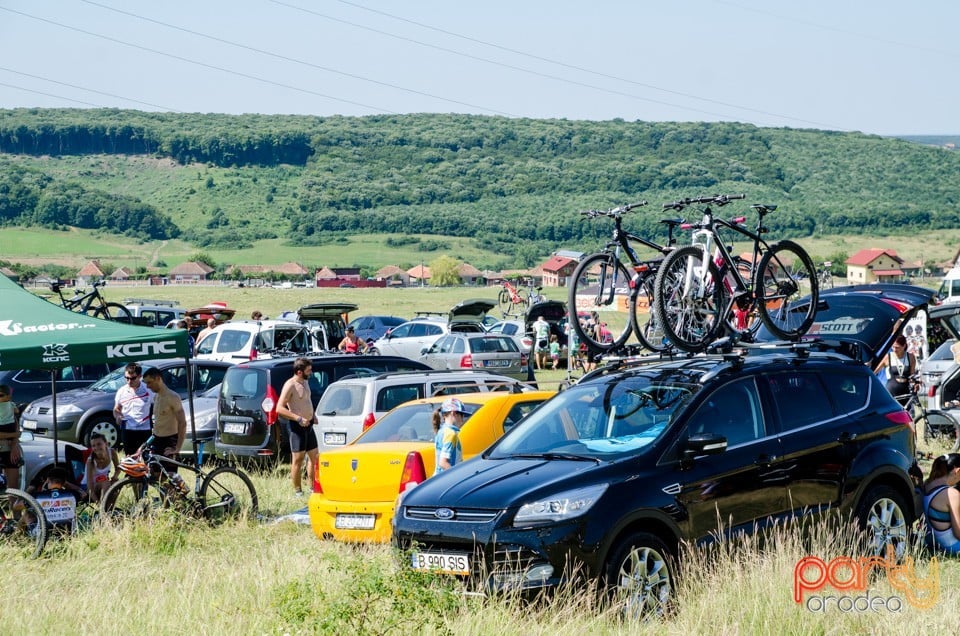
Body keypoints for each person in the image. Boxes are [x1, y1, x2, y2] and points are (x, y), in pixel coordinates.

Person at [276, 357, 318, 497]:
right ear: (299, 372)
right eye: (308, 370)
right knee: (298, 460)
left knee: (314, 457)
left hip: (309, 424)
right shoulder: (290, 385)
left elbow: (307, 400)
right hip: (297, 425)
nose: (310, 372)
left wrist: (313, 415)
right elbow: (279, 408)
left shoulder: (305, 382)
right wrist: (298, 418)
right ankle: (298, 491)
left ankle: (312, 488)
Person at [142, 368, 186, 460]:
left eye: (149, 382)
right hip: (157, 439)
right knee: (154, 473)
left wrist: (177, 448)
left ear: (158, 378)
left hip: (169, 441)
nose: (147, 386)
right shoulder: (156, 397)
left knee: (169, 474)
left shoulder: (173, 397)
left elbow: (182, 423)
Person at [922, 453, 960, 554]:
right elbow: (958, 533)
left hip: (935, 541)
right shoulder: (952, 494)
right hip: (953, 546)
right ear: (957, 471)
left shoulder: (926, 485)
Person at [113, 362, 154, 455]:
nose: (129, 381)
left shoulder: (148, 390)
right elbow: (116, 408)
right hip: (128, 430)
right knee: (130, 459)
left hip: (144, 430)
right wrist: (117, 416)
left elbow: (157, 406)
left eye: (133, 378)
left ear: (140, 376)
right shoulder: (121, 391)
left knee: (146, 458)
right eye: (126, 378)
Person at [874, 335, 916, 405]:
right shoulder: (888, 357)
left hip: (905, 392)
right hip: (891, 391)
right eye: (893, 347)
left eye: (897, 347)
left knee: (907, 413)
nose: (895, 350)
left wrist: (915, 383)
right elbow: (874, 371)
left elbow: (912, 375)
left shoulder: (911, 357)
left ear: (904, 346)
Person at [82, 432, 120, 504]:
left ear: (106, 443)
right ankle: (103, 509)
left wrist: (115, 476)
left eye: (99, 444)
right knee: (105, 483)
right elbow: (90, 489)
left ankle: (109, 509)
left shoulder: (112, 452)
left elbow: (118, 468)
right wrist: (98, 503)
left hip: (103, 484)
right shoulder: (91, 461)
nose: (96, 448)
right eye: (93, 446)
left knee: (116, 483)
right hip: (87, 487)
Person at [434, 398, 466, 473]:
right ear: (454, 413)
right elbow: (443, 463)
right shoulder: (451, 434)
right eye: (462, 415)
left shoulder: (442, 431)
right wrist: (457, 475)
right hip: (446, 480)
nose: (463, 419)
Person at [0, 384, 22, 490]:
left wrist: (14, 445)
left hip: (9, 449)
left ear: (8, 396)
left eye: (0, 395)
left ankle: (12, 505)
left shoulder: (11, 408)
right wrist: (14, 435)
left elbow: (16, 428)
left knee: (13, 489)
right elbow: (16, 433)